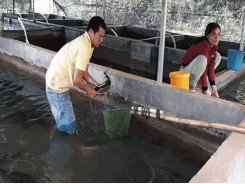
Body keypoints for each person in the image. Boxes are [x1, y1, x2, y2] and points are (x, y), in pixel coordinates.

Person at [45, 16, 107, 135]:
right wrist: (90, 91)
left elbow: (84, 73)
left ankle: (55, 132)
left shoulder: (89, 45)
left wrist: (98, 86)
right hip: (56, 88)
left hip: (55, 82)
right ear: (90, 32)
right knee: (70, 125)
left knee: (63, 120)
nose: (101, 40)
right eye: (100, 36)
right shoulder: (84, 47)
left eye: (103, 36)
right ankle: (67, 148)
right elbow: (77, 80)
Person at [180, 22, 221, 98]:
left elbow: (211, 66)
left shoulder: (214, 46)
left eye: (219, 34)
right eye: (213, 34)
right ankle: (191, 85)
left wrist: (213, 86)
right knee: (203, 59)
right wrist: (205, 89)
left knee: (218, 56)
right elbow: (204, 66)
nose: (217, 37)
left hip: (196, 69)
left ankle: (199, 81)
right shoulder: (204, 45)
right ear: (207, 35)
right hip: (185, 71)